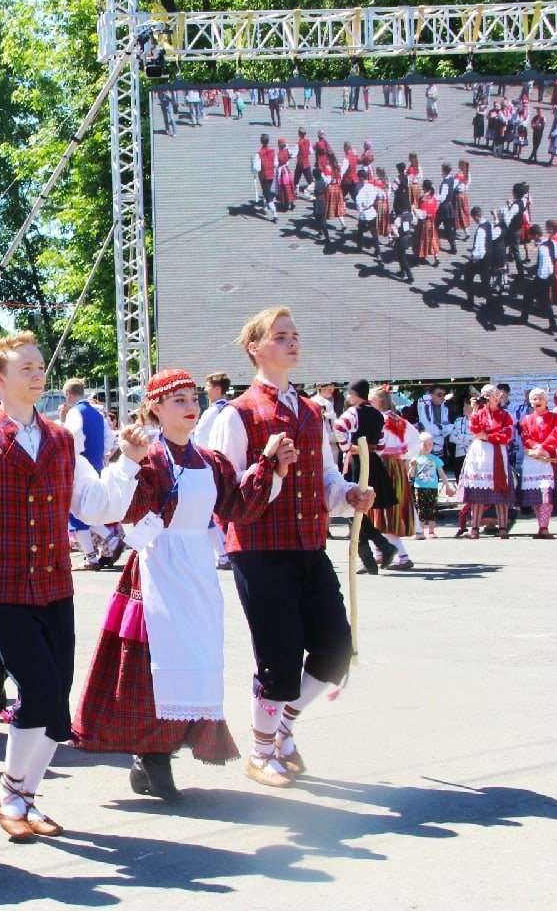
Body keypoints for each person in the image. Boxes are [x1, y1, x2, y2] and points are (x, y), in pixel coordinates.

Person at [0, 331, 149, 840]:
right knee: (40, 691)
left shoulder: (62, 440)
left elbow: (98, 507)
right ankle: (12, 790)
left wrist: (127, 461)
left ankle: (22, 795)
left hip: (54, 585)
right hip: (3, 587)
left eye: (41, 366)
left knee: (55, 694)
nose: (38, 374)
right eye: (26, 368)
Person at [71, 369, 289, 801]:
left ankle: (158, 752)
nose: (191, 407)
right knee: (150, 667)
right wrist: (127, 461)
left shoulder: (211, 461)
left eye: (194, 398)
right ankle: (153, 755)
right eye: (178, 400)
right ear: (155, 408)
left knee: (195, 659)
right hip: (156, 567)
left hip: (197, 570)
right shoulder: (149, 458)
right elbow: (120, 507)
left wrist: (270, 468)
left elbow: (239, 508)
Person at [207, 307, 377, 790]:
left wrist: (348, 494)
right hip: (259, 550)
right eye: (281, 336)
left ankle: (282, 727)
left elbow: (325, 475)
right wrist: (269, 467)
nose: (292, 342)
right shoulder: (237, 414)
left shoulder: (311, 411)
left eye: (295, 335)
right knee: (277, 659)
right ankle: (261, 752)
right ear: (255, 349)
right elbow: (229, 495)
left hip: (309, 544)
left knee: (335, 649)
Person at [333, 382, 404, 573]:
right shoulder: (377, 414)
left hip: (357, 461)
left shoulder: (353, 413)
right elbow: (381, 442)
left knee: (354, 509)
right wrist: (372, 450)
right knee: (358, 511)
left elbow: (338, 427)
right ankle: (373, 557)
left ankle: (377, 551)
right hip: (372, 461)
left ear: (354, 394)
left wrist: (348, 448)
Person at [63, 377, 122, 570]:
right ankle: (109, 540)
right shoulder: (97, 414)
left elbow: (73, 437)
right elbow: (111, 440)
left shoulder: (75, 412)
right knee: (89, 510)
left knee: (77, 512)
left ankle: (93, 555)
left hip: (78, 467)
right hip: (96, 466)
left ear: (68, 394)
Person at [369, 386, 417, 568]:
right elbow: (414, 443)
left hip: (383, 465)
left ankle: (402, 556)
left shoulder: (381, 419)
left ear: (379, 401)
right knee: (380, 512)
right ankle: (380, 552)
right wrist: (403, 455)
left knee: (383, 512)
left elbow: (377, 443)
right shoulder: (398, 419)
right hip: (394, 466)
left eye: (371, 400)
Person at [458, 385, 515, 538]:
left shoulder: (504, 415)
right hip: (480, 454)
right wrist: (475, 411)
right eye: (484, 395)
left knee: (499, 490)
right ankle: (474, 527)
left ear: (497, 397)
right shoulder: (480, 413)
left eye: (489, 395)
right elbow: (474, 430)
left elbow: (507, 436)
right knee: (477, 491)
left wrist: (487, 436)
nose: (486, 398)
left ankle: (503, 526)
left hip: (497, 455)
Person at [194, 372, 234, 569]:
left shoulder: (212, 412)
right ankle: (224, 550)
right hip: (223, 463)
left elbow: (199, 438)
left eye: (208, 386)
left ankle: (224, 552)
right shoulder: (231, 408)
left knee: (206, 511)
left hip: (207, 464)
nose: (205, 390)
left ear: (217, 389)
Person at [515, 389, 557, 539]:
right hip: (532, 458)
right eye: (534, 399)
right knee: (535, 494)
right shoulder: (526, 419)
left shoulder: (555, 417)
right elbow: (525, 436)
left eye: (540, 398)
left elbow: (556, 433)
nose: (537, 401)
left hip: (548, 458)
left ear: (546, 401)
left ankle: (544, 526)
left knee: (546, 492)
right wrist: (535, 447)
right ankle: (541, 526)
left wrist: (544, 447)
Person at [409, 433, 447, 539]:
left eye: (430, 444)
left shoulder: (435, 459)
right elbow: (411, 475)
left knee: (432, 509)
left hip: (433, 487)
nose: (427, 447)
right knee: (421, 509)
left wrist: (447, 486)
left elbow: (442, 473)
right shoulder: (415, 458)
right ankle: (420, 531)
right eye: (424, 444)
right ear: (419, 445)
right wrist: (412, 466)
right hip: (419, 487)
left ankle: (431, 531)